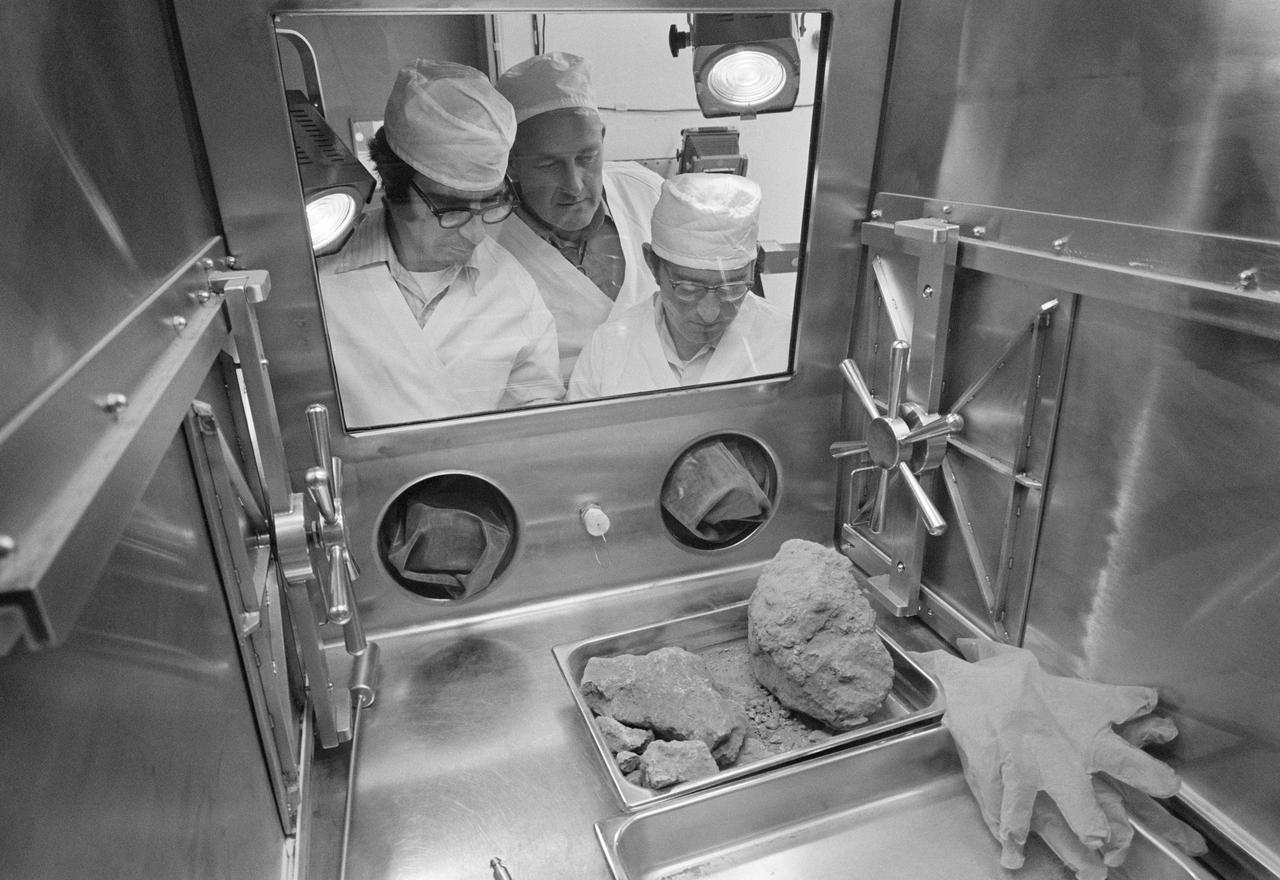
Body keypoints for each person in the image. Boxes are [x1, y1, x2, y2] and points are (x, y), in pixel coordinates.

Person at [318, 60, 563, 427]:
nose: (476, 233)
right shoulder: (321, 283)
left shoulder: (513, 290)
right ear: (395, 186)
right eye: (451, 207)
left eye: (491, 203)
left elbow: (537, 412)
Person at [496, 52, 664, 383]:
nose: (573, 186)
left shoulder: (647, 193)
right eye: (548, 164)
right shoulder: (492, 244)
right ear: (512, 163)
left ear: (602, 138)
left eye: (587, 157)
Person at [567, 173, 790, 400]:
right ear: (652, 264)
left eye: (730, 288)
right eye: (689, 289)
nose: (709, 313)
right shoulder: (609, 349)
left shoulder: (786, 347)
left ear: (752, 268)